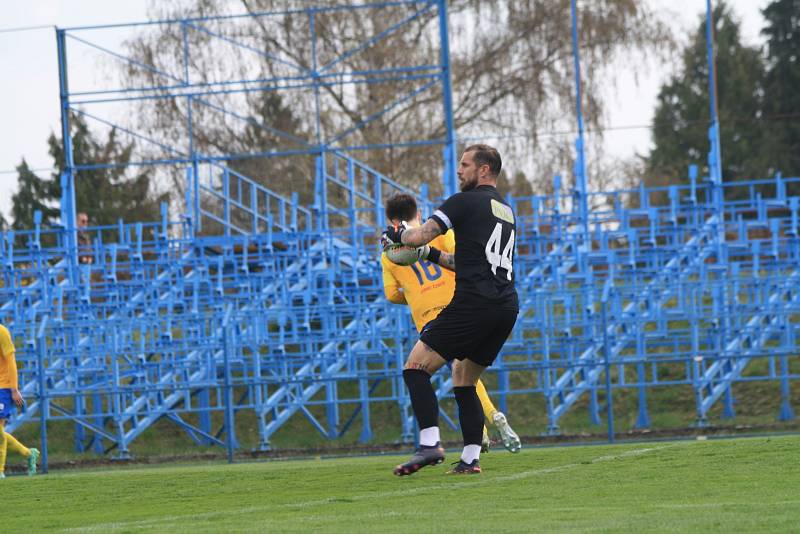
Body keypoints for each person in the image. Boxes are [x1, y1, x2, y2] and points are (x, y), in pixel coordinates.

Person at [382, 144, 518, 475]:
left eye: (465, 164)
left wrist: (397, 234)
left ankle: (429, 444)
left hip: (473, 304)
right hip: (505, 307)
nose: (459, 170)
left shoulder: (463, 202)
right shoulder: (505, 210)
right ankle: (471, 459)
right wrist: (429, 255)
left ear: (484, 170)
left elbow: (420, 234)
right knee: (464, 378)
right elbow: (462, 262)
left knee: (415, 367)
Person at [0, 323, 39, 478]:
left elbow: (11, 361)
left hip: (3, 387)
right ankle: (29, 454)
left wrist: (14, 389)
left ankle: (0, 471)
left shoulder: (2, 332)